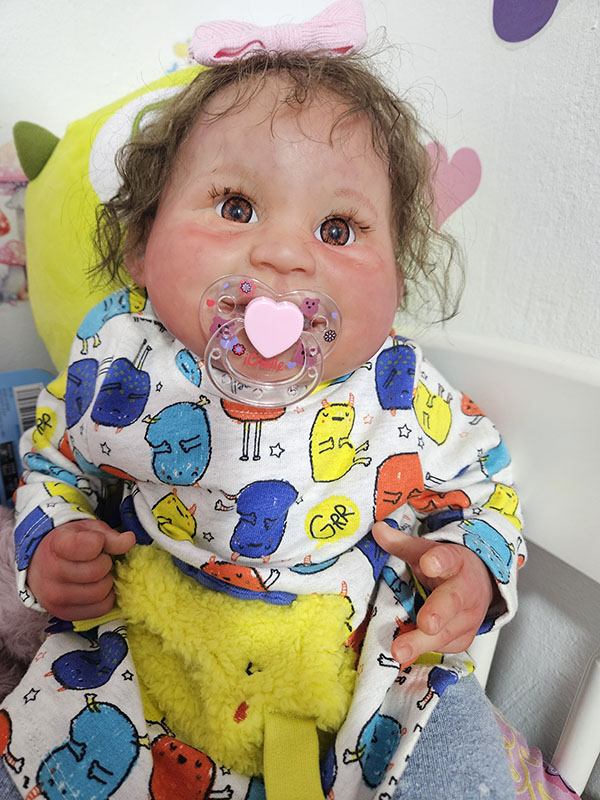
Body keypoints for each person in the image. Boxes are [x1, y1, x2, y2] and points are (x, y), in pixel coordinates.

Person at [1, 5, 524, 799]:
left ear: (396, 280)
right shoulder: (119, 353)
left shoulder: (397, 382)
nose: (282, 254)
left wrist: (471, 571)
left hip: (351, 652)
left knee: (451, 731)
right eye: (237, 207)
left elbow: (483, 487)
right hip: (153, 639)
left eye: (338, 228)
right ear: (141, 244)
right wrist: (52, 543)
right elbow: (54, 461)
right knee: (47, 732)